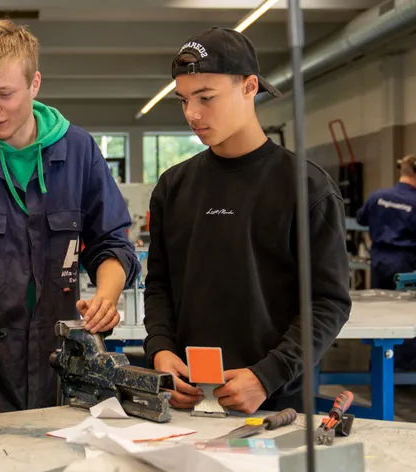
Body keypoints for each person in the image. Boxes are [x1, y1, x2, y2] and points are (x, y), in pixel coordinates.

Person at [0, 19, 140, 421]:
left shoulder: (79, 152)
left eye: (5, 94)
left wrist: (107, 296)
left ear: (34, 84)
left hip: (62, 361)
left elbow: (111, 242)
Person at [143, 27, 352, 415]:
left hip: (276, 405)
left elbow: (328, 302)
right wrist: (161, 351)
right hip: (187, 402)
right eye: (184, 100)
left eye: (206, 98)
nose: (193, 113)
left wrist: (267, 375)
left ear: (249, 86)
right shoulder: (174, 187)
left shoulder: (305, 187)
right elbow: (158, 286)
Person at [356, 155, 416, 289]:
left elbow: (361, 219)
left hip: (378, 262)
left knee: (379, 303)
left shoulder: (376, 197)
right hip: (405, 263)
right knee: (405, 306)